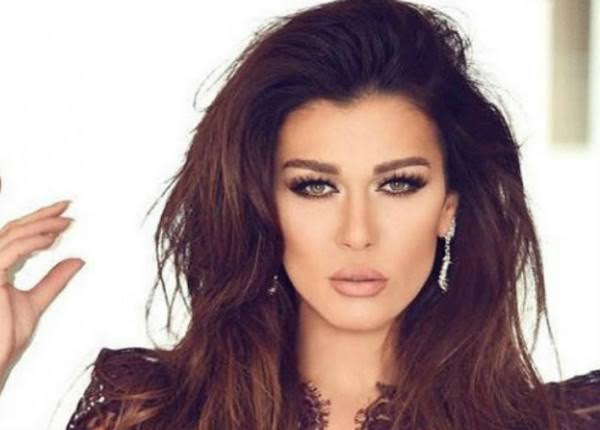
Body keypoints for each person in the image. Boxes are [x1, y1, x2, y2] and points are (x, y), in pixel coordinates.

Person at [1, 0, 599, 429]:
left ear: (448, 207)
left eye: (398, 184)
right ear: (264, 204)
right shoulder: (148, 412)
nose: (357, 233)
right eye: (315, 187)